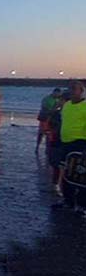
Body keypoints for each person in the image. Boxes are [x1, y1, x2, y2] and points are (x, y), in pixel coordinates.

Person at [52, 81, 86, 215]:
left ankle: (82, 205)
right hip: (65, 143)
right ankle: (68, 201)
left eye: (74, 89)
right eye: (70, 88)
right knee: (66, 173)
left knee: (80, 175)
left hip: (80, 143)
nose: (71, 91)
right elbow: (62, 122)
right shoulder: (66, 105)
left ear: (81, 91)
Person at [37, 88, 62, 153]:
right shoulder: (47, 99)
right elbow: (44, 107)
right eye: (57, 94)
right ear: (54, 92)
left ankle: (47, 149)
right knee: (41, 133)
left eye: (59, 94)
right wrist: (53, 109)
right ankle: (37, 147)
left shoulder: (59, 99)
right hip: (45, 118)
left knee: (49, 135)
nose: (58, 95)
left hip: (53, 119)